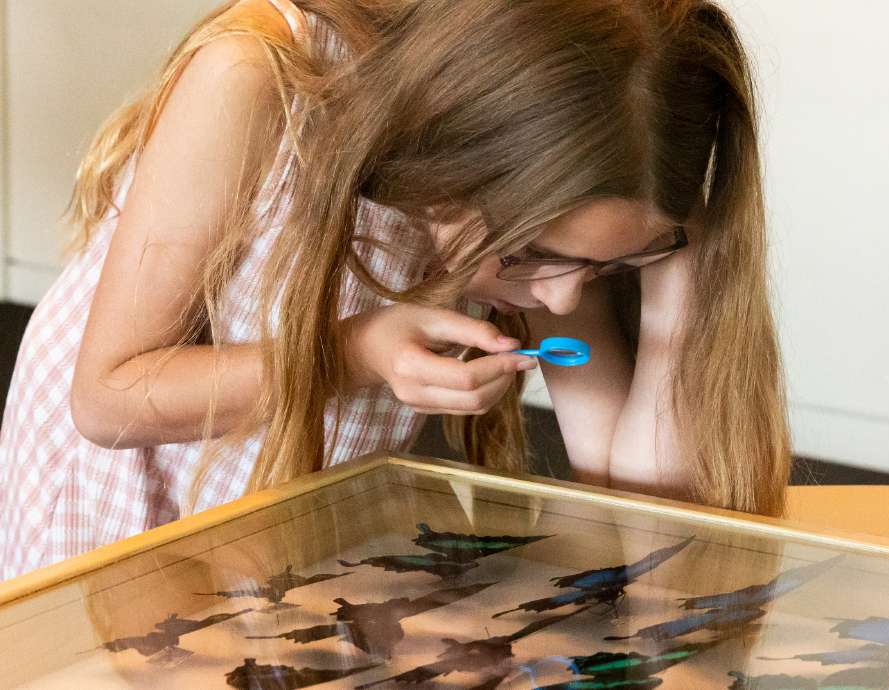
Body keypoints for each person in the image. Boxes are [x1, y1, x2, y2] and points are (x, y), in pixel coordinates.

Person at [0, 0, 790, 580]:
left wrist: (686, 257)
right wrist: (356, 354)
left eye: (602, 270)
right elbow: (105, 401)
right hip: (121, 498)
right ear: (459, 163)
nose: (554, 304)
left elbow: (637, 492)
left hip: (281, 511)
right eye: (529, 257)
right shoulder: (254, 80)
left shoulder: (565, 199)